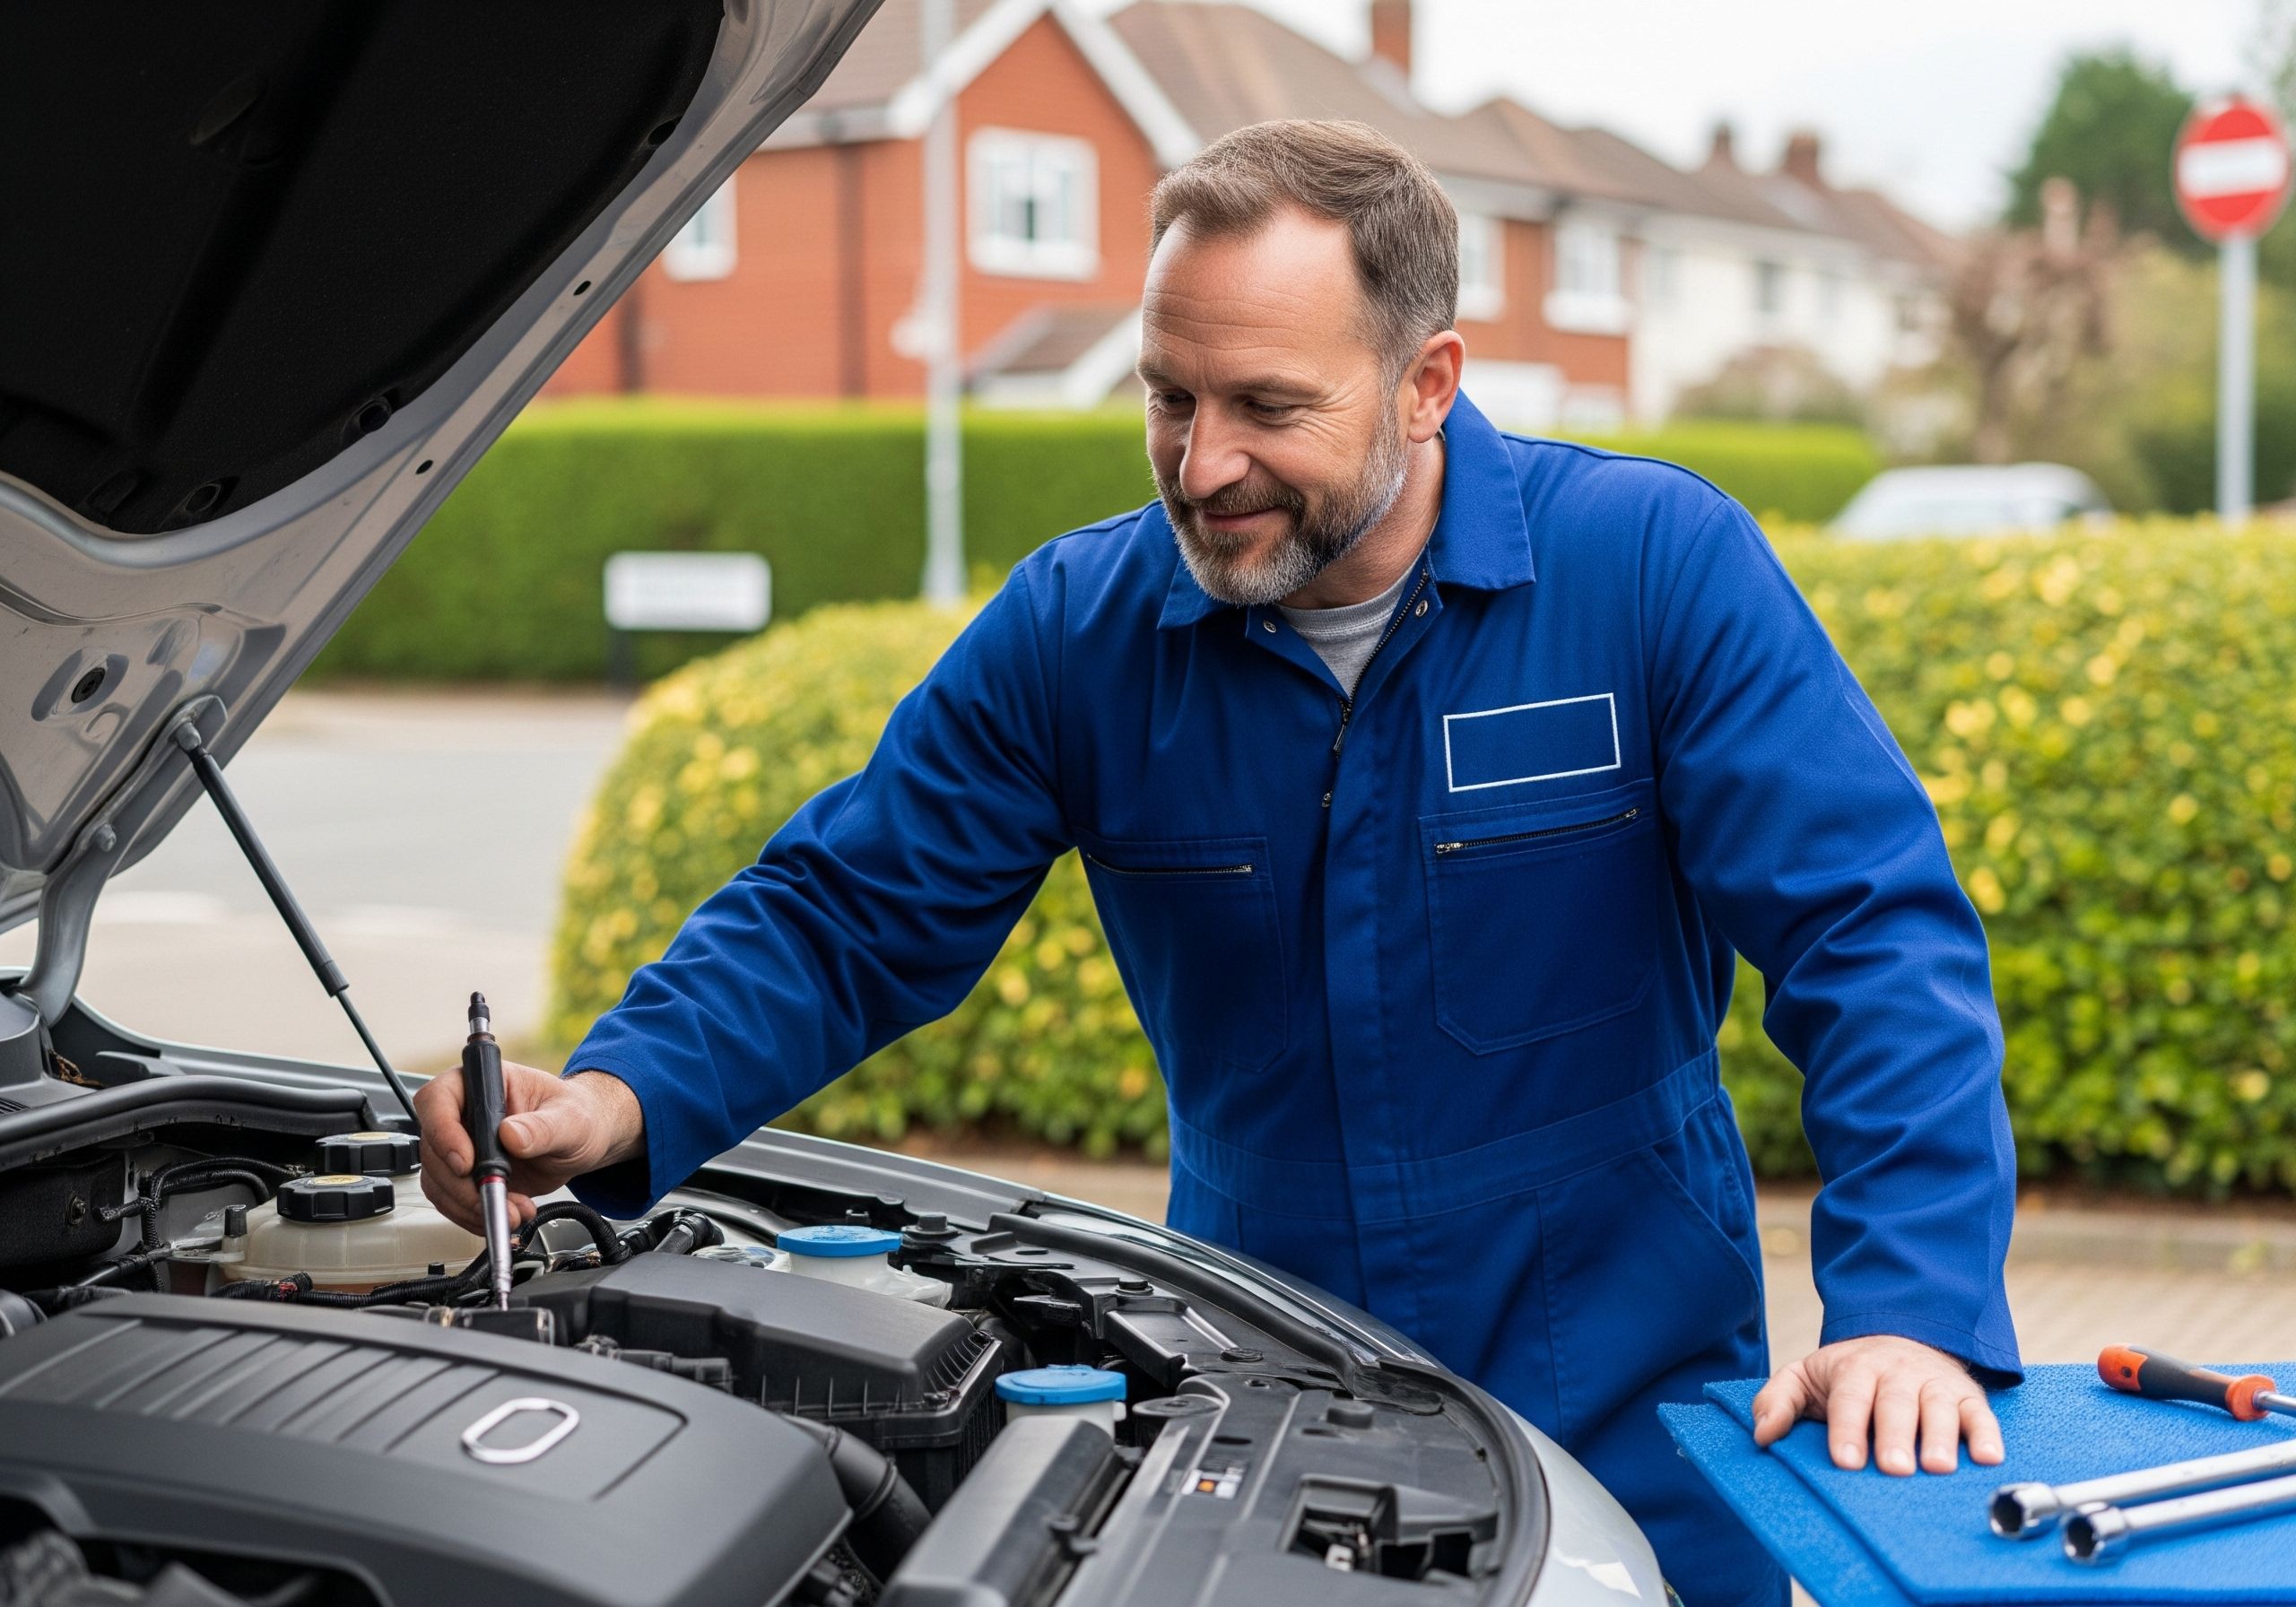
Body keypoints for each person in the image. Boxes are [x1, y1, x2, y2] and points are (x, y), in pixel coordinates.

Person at [418, 119, 2019, 1604]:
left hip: (1633, 1403)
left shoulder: (1653, 573)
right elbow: (851, 907)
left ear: (1427, 381)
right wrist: (619, 1097)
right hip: (1262, 1403)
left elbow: (1870, 936)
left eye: (1267, 408)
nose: (1199, 467)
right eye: (1169, 397)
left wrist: (1908, 1311)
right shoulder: (1081, 634)